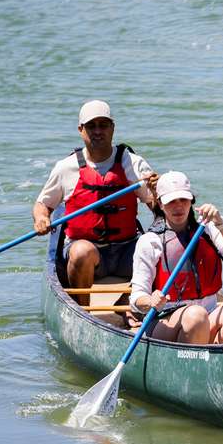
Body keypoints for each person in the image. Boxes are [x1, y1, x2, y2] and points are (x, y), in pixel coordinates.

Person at [32, 99, 159, 298]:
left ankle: (133, 306)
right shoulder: (66, 167)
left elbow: (157, 207)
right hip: (86, 252)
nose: (98, 131)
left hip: (127, 249)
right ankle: (83, 310)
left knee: (157, 246)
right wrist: (41, 219)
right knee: (82, 251)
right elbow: (43, 205)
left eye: (103, 125)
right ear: (81, 129)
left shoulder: (133, 163)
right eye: (91, 126)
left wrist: (158, 194)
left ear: (112, 128)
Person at [130, 171, 223, 344]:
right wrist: (150, 300)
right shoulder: (150, 241)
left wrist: (220, 223)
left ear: (191, 201)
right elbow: (136, 299)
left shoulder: (208, 230)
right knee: (195, 315)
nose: (178, 206)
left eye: (183, 200)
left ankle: (219, 360)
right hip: (166, 319)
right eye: (171, 201)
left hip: (207, 315)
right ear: (160, 204)